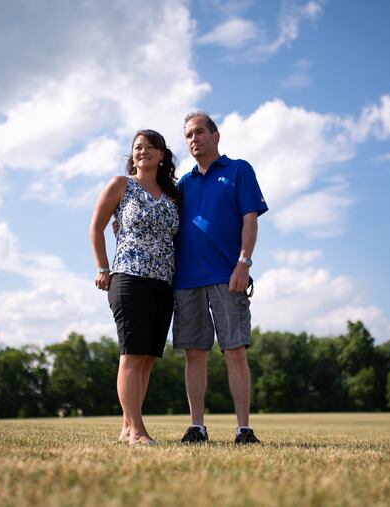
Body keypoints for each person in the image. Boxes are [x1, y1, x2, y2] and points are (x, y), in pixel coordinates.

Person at [172, 112, 268, 445]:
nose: (194, 139)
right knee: (194, 354)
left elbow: (250, 219)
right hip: (186, 280)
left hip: (229, 277)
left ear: (215, 135)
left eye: (199, 132)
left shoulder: (239, 170)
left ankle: (244, 429)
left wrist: (244, 263)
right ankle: (196, 427)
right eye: (188, 135)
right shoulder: (183, 185)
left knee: (235, 350)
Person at [89, 129, 180, 445]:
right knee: (131, 354)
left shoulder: (172, 195)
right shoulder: (121, 185)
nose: (144, 151)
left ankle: (127, 428)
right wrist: (103, 268)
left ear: (162, 155)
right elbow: (96, 227)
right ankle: (138, 431)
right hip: (129, 277)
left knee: (148, 359)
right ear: (133, 155)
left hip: (164, 283)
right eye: (138, 147)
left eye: (151, 147)